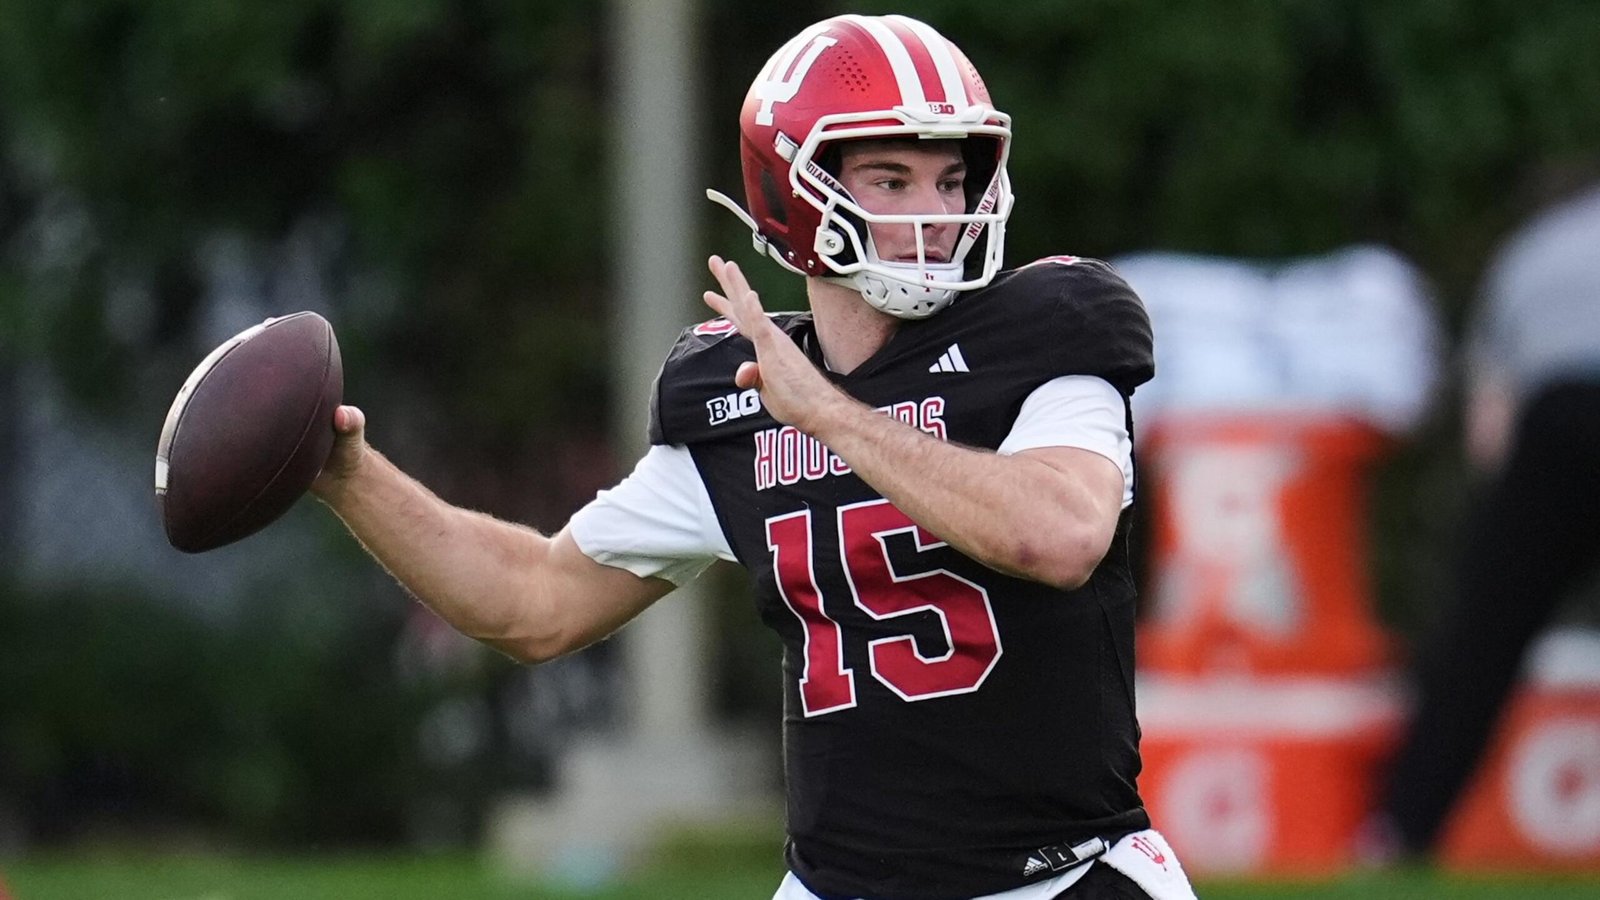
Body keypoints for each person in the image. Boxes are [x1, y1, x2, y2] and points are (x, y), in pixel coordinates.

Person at [313, 14, 1195, 900]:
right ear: (795, 194)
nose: (936, 213)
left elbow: (1059, 534)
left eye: (952, 179)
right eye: (892, 180)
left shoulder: (1047, 329)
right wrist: (347, 475)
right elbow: (533, 602)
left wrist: (831, 415)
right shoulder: (742, 396)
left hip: (1065, 879)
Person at [1375, 180, 1600, 858]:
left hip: (1553, 426)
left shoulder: (1534, 251)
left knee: (1480, 647)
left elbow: (1490, 426)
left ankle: (1401, 833)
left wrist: (1513, 528)